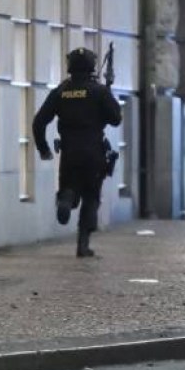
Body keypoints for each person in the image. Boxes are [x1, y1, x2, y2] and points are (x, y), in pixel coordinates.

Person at [33, 47, 122, 258]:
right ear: (92, 66)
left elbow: (39, 122)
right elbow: (116, 119)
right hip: (94, 152)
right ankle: (83, 245)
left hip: (70, 152)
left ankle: (66, 200)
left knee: (70, 187)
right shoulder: (99, 91)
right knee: (91, 197)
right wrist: (107, 94)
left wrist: (43, 148)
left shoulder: (61, 91)